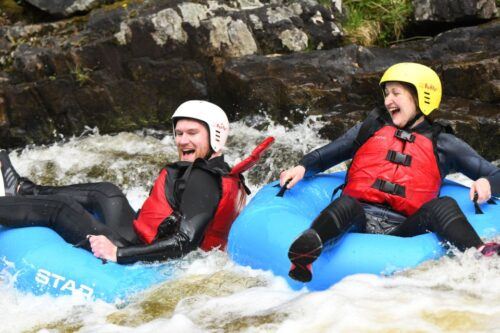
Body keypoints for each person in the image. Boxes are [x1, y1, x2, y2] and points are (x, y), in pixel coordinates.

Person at [279, 62, 500, 282]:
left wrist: (487, 184)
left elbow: (494, 173)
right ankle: (309, 246)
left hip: (406, 227)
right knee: (345, 203)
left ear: (421, 97)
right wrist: (302, 167)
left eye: (396, 93)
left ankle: (480, 253)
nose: (387, 101)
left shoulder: (444, 143)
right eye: (386, 94)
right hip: (358, 217)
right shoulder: (372, 127)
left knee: (443, 205)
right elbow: (329, 153)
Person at [0, 100, 272, 264]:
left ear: (215, 136)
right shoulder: (221, 170)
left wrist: (119, 254)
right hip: (141, 237)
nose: (182, 140)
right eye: (178, 133)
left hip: (138, 253)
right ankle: (25, 190)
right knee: (106, 192)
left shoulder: (204, 180)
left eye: (192, 133)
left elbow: (183, 242)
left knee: (61, 210)